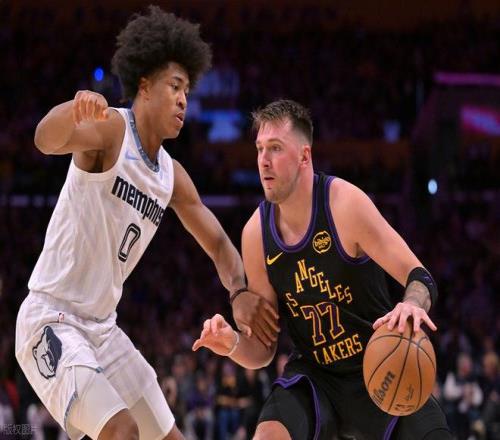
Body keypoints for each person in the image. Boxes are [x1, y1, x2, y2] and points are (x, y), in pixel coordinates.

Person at [14, 7, 276, 440]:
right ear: (144, 86)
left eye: (187, 90)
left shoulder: (172, 176)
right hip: (52, 318)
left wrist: (238, 292)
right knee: (122, 431)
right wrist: (74, 109)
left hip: (103, 330)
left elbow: (218, 244)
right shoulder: (110, 131)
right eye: (174, 86)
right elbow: (44, 138)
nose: (183, 100)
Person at [193, 99, 453, 439]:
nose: (263, 160)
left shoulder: (345, 205)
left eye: (275, 148)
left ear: (304, 156)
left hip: (381, 364)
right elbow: (264, 350)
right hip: (316, 379)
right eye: (259, 149)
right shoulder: (255, 233)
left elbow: (419, 276)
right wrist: (232, 344)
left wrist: (412, 304)